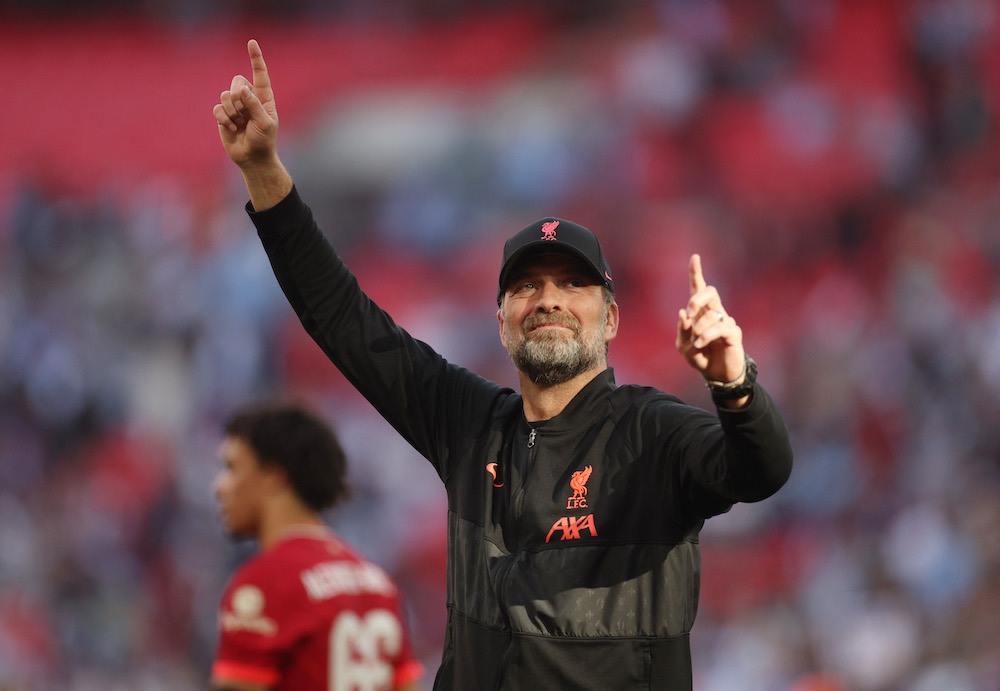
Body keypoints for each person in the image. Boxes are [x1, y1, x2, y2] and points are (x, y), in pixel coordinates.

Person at [213, 39, 793, 690]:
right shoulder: (469, 422)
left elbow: (762, 468)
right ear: (501, 320)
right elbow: (341, 318)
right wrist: (264, 171)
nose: (547, 298)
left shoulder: (651, 432)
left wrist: (734, 384)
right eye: (526, 286)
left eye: (572, 285)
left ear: (611, 319)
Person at [211, 401, 424, 691]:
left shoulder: (263, 584)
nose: (219, 486)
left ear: (274, 474)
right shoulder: (379, 585)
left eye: (231, 468)